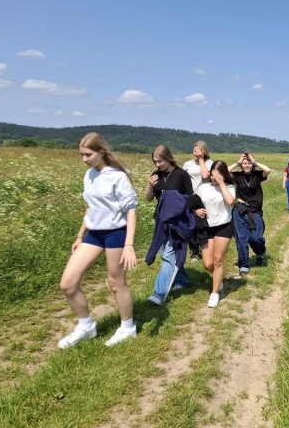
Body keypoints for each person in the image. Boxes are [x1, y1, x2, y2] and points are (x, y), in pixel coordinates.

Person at [58, 132, 138, 349]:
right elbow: (91, 207)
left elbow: (131, 211)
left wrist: (129, 245)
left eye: (88, 155)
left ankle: (128, 328)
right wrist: (80, 235)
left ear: (101, 152)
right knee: (68, 283)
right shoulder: (89, 175)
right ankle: (86, 327)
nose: (84, 159)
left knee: (115, 283)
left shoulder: (118, 177)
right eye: (81, 155)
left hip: (116, 233)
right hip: (94, 234)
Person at [145, 145, 194, 306]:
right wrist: (150, 186)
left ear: (168, 158)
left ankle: (159, 294)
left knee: (169, 255)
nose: (158, 164)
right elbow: (149, 199)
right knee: (163, 251)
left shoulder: (181, 174)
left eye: (160, 161)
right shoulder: (155, 175)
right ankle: (183, 279)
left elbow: (190, 197)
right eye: (155, 162)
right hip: (160, 220)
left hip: (176, 221)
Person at [194, 160, 236, 308]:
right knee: (208, 264)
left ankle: (215, 293)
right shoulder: (203, 188)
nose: (214, 177)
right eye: (212, 174)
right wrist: (196, 211)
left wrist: (222, 183)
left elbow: (230, 201)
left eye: (218, 175)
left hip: (224, 227)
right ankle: (219, 278)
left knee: (218, 260)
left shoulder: (229, 187)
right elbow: (194, 203)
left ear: (224, 175)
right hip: (207, 227)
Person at [228, 152, 272, 277]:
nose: (246, 165)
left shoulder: (257, 175)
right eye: (244, 163)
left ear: (252, 164)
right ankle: (244, 266)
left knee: (256, 238)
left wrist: (255, 162)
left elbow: (268, 170)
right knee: (241, 238)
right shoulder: (237, 176)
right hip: (240, 210)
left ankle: (261, 252)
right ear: (241, 165)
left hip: (255, 211)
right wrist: (237, 162)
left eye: (249, 163)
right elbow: (223, 172)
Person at [183, 141, 214, 263]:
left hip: (206, 196)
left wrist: (201, 159)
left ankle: (206, 248)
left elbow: (205, 175)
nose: (195, 153)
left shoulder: (209, 163)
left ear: (204, 152)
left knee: (205, 222)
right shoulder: (187, 164)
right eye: (194, 150)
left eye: (198, 150)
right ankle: (194, 252)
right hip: (192, 195)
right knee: (192, 222)